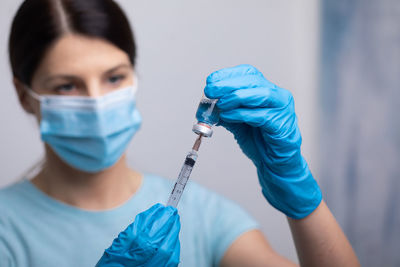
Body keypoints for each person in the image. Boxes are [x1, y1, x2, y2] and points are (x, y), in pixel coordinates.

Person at [0, 0, 359, 266]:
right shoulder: (7, 230)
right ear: (24, 95)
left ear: (133, 75)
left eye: (114, 77)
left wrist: (302, 200)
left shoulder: (204, 215)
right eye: (67, 86)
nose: (97, 102)